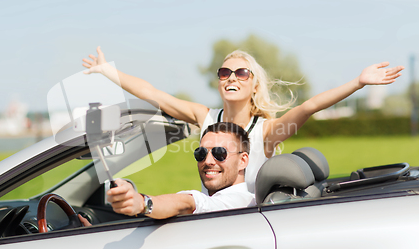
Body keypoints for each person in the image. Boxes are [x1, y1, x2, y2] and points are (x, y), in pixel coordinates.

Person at [83, 46, 404, 197]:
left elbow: (310, 106)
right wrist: (108, 71)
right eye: (224, 72)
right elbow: (155, 94)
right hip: (208, 216)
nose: (231, 77)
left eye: (241, 72)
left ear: (253, 84)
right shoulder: (204, 116)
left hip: (246, 225)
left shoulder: (266, 130)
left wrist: (358, 83)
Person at [79, 122, 254, 223]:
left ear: (243, 160)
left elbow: (187, 202)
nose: (208, 161)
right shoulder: (222, 203)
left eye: (219, 153)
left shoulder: (238, 202)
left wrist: (142, 203)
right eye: (201, 153)